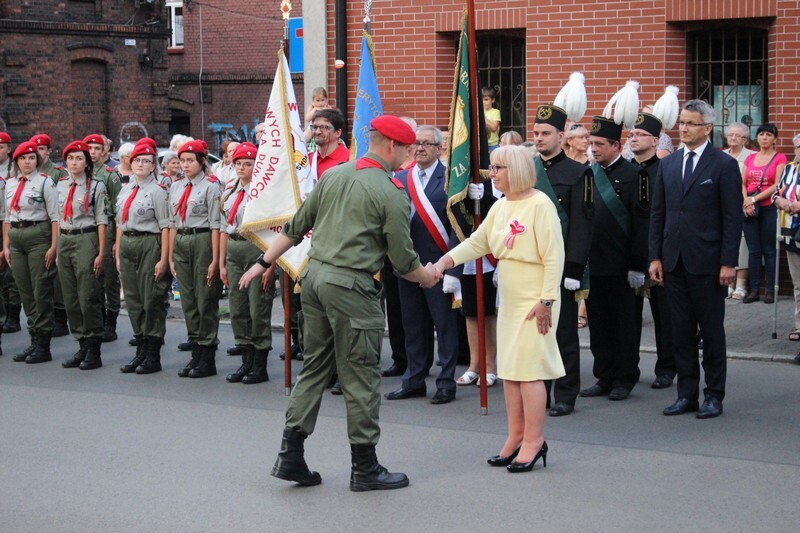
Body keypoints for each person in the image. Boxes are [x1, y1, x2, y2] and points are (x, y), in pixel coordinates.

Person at [238, 115, 438, 491]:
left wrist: (263, 262)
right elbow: (403, 261)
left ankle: (290, 455)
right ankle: (365, 467)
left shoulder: (334, 176)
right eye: (408, 150)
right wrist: (428, 277)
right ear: (392, 146)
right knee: (360, 374)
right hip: (351, 288)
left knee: (314, 367)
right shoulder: (391, 192)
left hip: (314, 280)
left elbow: (295, 229)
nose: (409, 158)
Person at [433, 145, 565, 472]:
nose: (492, 174)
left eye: (498, 168)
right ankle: (515, 436)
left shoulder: (540, 205)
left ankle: (534, 441)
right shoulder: (503, 206)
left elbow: (553, 256)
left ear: (516, 169)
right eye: (492, 168)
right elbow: (480, 241)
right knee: (510, 370)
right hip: (509, 294)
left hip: (536, 297)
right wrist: (446, 261)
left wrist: (547, 299)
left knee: (530, 370)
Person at [649, 99, 743, 419]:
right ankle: (686, 393)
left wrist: (729, 262)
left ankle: (714, 395)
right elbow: (658, 214)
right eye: (681, 123)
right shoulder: (669, 164)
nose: (684, 129)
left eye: (690, 123)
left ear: (707, 128)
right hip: (673, 261)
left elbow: (732, 218)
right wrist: (655, 257)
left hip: (708, 262)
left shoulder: (723, 165)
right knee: (681, 331)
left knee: (711, 331)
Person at [384, 126, 461, 405]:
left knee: (445, 325)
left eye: (427, 144)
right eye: (416, 143)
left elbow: (456, 226)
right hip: (408, 264)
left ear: (439, 148)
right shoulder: (401, 178)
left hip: (439, 265)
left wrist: (452, 268)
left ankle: (445, 383)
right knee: (413, 324)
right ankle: (414, 379)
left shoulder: (450, 178)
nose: (420, 148)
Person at [579, 113, 650, 402]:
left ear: (615, 146)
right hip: (594, 264)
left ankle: (624, 376)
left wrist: (637, 264)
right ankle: (604, 375)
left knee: (624, 324)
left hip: (622, 266)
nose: (593, 149)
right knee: (599, 324)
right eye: (590, 143)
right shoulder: (587, 173)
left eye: (598, 144)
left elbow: (642, 222)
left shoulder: (636, 175)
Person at [532, 102, 594, 416]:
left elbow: (583, 223)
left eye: (546, 133)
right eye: (536, 133)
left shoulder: (578, 171)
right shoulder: (525, 169)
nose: (540, 138)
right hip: (531, 266)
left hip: (560, 267)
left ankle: (566, 393)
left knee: (563, 332)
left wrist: (573, 268)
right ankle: (537, 391)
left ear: (561, 135)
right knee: (535, 333)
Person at [219, 142, 275, 384]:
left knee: (257, 307)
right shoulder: (230, 190)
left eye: (248, 164)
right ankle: (246, 360)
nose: (242, 168)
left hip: (256, 249)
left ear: (257, 165)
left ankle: (259, 365)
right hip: (234, 248)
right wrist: (221, 262)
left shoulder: (263, 191)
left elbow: (274, 231)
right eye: (238, 163)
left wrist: (270, 264)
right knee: (238, 307)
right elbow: (223, 226)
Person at [628, 112, 676, 390]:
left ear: (655, 140)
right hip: (630, 254)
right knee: (629, 317)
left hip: (658, 252)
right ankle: (628, 368)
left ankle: (667, 367)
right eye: (632, 134)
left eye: (640, 135)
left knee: (664, 314)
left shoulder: (667, 171)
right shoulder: (625, 170)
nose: (633, 138)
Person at [115, 143, 171, 374]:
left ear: (153, 166)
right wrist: (118, 252)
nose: (140, 164)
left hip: (150, 243)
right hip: (128, 243)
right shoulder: (125, 189)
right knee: (134, 299)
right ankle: (140, 348)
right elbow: (120, 222)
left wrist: (163, 259)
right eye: (137, 160)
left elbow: (166, 226)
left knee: (151, 299)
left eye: (146, 161)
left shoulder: (157, 191)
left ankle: (152, 353)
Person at [169, 140, 222, 378]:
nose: (186, 165)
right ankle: (195, 352)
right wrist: (170, 255)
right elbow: (172, 222)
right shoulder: (177, 186)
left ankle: (207, 356)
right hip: (181, 240)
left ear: (202, 161)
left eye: (191, 160)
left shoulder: (211, 186)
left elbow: (215, 225)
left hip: (202, 241)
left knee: (205, 298)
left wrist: (214, 259)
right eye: (182, 160)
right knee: (188, 299)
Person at [4, 141, 59, 364]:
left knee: (40, 289)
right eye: (23, 158)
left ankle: (43, 345)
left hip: (38, 236)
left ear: (37, 161)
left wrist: (53, 247)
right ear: (16, 161)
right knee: (25, 290)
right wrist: (6, 246)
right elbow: (7, 217)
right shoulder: (10, 184)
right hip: (16, 238)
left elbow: (56, 217)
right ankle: (34, 338)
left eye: (31, 158)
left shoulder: (45, 182)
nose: (27, 162)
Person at [56, 141, 108, 370]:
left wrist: (101, 252)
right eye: (70, 158)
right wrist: (57, 248)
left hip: (86, 238)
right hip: (65, 239)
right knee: (71, 297)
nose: (74, 162)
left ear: (86, 162)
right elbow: (56, 219)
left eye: (79, 158)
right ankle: (81, 343)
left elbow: (101, 221)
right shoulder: (60, 185)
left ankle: (94, 346)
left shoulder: (95, 186)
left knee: (87, 295)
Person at [741, 123, 787, 304]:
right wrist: (746, 201)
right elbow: (742, 182)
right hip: (749, 208)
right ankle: (753, 290)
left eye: (769, 135)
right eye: (761, 134)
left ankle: (770, 290)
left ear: (775, 138)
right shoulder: (751, 158)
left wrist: (754, 199)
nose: (764, 138)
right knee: (753, 250)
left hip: (768, 207)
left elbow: (777, 185)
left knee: (769, 250)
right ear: (757, 138)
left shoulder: (779, 158)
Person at [83, 133, 122, 342]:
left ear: (104, 151)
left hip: (107, 227)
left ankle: (111, 321)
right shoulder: (82, 173)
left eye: (97, 148)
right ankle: (98, 317)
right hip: (88, 229)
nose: (93, 152)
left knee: (108, 276)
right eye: (89, 148)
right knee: (91, 274)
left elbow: (117, 209)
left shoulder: (109, 175)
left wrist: (116, 239)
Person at [30, 133, 69, 337]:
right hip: (37, 229)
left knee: (56, 275)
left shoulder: (58, 173)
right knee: (40, 275)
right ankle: (44, 316)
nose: (38, 153)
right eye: (35, 150)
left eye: (42, 149)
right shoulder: (28, 174)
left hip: (54, 225)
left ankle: (61, 317)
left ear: (48, 151)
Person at [724, 122, 755, 299]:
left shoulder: (752, 156)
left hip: (743, 204)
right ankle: (727, 284)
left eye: (737, 135)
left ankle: (741, 285)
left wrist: (748, 201)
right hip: (724, 206)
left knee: (742, 244)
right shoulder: (720, 155)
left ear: (745, 139)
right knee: (726, 240)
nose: (733, 138)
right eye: (730, 135)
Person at [773, 152, 800, 347]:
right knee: (798, 283)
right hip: (792, 231)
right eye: (798, 146)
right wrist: (781, 202)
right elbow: (776, 193)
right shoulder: (789, 168)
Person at [0, 132, 22, 336]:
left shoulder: (13, 170)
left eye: (1, 147)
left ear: (8, 148)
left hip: (8, 222)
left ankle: (13, 315)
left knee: (11, 270)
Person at [482, 87, 501, 152]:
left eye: (486, 99)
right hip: (482, 144)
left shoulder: (495, 112)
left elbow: (494, 128)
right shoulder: (478, 112)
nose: (483, 102)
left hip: (493, 145)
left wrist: (484, 119)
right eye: (481, 100)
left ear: (492, 100)